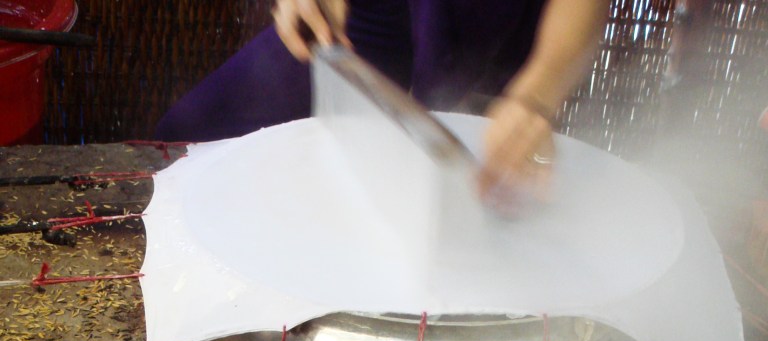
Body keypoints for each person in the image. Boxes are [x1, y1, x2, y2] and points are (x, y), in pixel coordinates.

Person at [156, 0, 609, 198]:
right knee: (184, 146)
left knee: (459, 213)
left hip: (496, 24)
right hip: (367, 16)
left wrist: (535, 97)